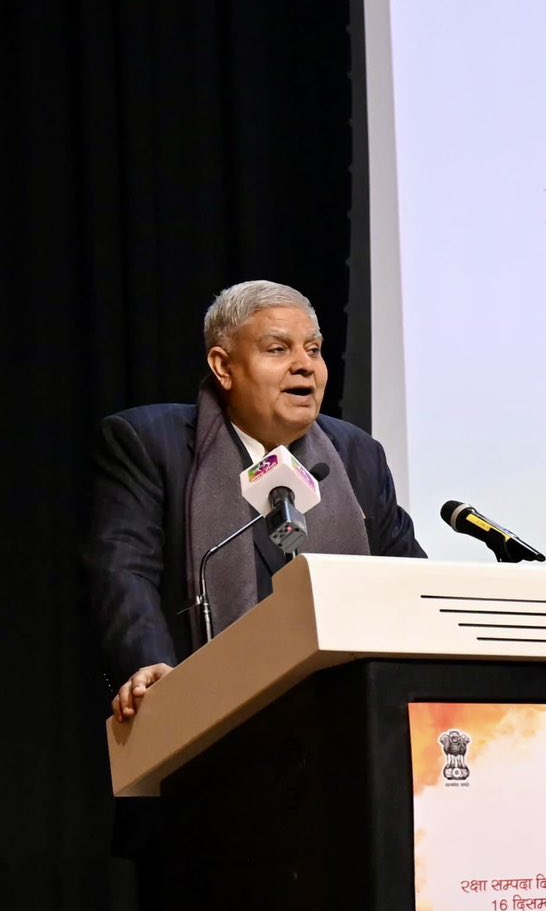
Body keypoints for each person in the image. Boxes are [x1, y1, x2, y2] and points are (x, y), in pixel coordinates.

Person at [87, 280, 424, 720]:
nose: (305, 366)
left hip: (349, 716)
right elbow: (122, 570)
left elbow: (408, 579)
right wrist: (146, 663)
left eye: (315, 349)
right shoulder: (151, 443)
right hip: (205, 722)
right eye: (278, 349)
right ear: (223, 366)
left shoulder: (356, 455)